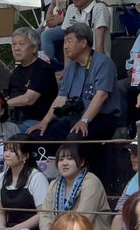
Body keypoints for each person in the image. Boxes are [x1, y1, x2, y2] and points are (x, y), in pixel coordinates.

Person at [26, 24, 121, 162]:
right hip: (75, 117)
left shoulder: (103, 62)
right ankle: (48, 171)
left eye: (69, 41)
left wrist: (84, 120)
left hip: (101, 118)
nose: (65, 47)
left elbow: (101, 96)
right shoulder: (71, 68)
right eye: (64, 42)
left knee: (74, 138)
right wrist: (44, 121)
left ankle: (77, 172)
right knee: (38, 136)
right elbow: (61, 97)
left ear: (83, 43)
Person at [31, 145, 111, 230]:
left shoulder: (91, 181)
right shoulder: (54, 184)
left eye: (70, 158)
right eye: (61, 159)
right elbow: (45, 216)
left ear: (82, 161)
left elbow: (83, 219)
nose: (64, 163)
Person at [0, 135, 50, 230]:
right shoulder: (2, 177)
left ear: (25, 156)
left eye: (12, 151)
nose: (7, 154)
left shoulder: (36, 178)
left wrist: (14, 229)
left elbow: (42, 214)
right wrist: (0, 228)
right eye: (6, 150)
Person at [42, 0, 111, 69]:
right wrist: (67, 70)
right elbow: (67, 40)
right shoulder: (71, 9)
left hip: (94, 62)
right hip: (77, 64)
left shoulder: (99, 8)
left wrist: (97, 69)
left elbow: (99, 42)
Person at [5, 28, 58, 130]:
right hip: (14, 119)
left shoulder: (42, 69)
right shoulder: (16, 71)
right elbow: (8, 96)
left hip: (36, 122)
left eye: (21, 44)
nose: (16, 48)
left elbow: (28, 99)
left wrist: (1, 104)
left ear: (34, 48)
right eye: (14, 44)